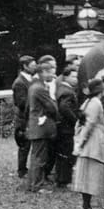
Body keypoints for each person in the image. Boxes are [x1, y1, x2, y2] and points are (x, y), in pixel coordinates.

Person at [71, 77, 104, 209]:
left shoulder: (87, 102)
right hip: (93, 142)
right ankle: (86, 206)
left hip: (89, 141)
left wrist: (78, 139)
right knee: (91, 174)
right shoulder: (96, 103)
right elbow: (89, 124)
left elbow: (80, 123)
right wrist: (80, 142)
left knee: (88, 174)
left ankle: (86, 204)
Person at [23, 64, 59, 192]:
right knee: (39, 157)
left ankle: (32, 184)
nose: (53, 75)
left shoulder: (33, 86)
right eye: (51, 73)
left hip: (35, 126)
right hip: (40, 127)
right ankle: (37, 186)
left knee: (36, 156)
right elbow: (51, 107)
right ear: (43, 72)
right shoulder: (40, 88)